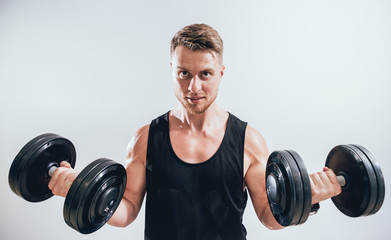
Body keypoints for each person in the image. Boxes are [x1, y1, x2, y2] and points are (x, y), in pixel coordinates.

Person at [48, 23, 342, 239]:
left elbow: (269, 214)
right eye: (183, 73)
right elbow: (126, 210)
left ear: (221, 73)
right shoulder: (147, 138)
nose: (193, 87)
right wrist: (82, 190)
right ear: (172, 70)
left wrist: (308, 199)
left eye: (205, 74)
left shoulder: (248, 141)